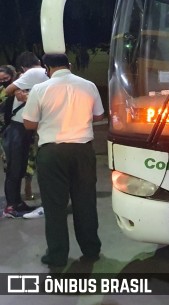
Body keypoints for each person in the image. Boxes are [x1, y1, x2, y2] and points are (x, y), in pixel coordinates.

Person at [22, 53, 104, 267]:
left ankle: (57, 256)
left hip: (52, 152)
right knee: (85, 202)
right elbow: (99, 116)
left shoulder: (40, 89)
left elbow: (29, 124)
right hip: (83, 151)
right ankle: (91, 249)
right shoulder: (88, 85)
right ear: (68, 65)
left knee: (55, 206)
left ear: (47, 68)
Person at [2, 52, 48, 218]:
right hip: (18, 128)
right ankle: (11, 207)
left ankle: (16, 203)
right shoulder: (37, 73)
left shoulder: (35, 74)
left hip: (21, 127)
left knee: (18, 167)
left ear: (22, 66)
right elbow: (8, 90)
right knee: (16, 168)